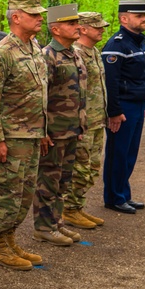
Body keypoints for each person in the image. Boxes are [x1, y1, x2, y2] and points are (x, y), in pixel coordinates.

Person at [0, 0, 49, 270]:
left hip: (33, 134)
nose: (40, 19)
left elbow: (39, 92)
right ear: (16, 17)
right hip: (11, 137)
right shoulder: (2, 52)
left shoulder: (33, 46)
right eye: (34, 15)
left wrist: (43, 131)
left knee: (25, 193)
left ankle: (9, 239)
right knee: (9, 192)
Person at [33, 4, 87, 246]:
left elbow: (81, 94)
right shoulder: (48, 56)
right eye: (71, 24)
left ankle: (56, 222)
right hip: (54, 132)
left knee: (64, 181)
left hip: (71, 130)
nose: (77, 27)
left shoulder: (74, 53)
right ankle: (43, 227)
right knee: (48, 181)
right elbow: (41, 97)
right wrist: (43, 132)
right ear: (55, 29)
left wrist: (81, 126)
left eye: (77, 23)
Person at [102, 0, 145, 213]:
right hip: (123, 107)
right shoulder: (117, 44)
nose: (144, 19)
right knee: (118, 153)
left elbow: (142, 77)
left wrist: (144, 103)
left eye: (144, 15)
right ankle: (114, 197)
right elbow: (110, 82)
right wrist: (114, 111)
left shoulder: (140, 43)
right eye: (139, 16)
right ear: (124, 18)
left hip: (137, 105)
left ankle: (124, 193)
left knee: (130, 153)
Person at [63, 12, 110, 228]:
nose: (101, 29)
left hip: (97, 119)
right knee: (80, 168)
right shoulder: (76, 53)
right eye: (97, 26)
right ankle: (69, 210)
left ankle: (77, 207)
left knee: (92, 168)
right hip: (83, 122)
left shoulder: (94, 52)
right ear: (83, 28)